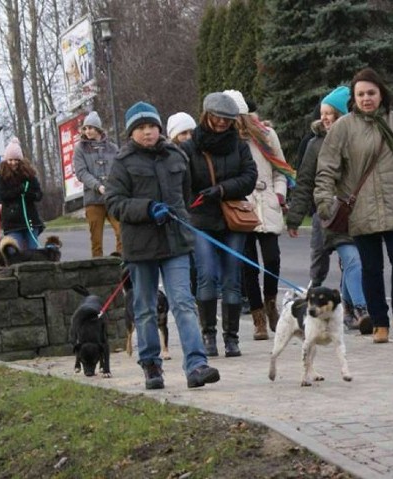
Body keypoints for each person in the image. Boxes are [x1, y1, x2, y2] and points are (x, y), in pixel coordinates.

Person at [105, 101, 220, 390]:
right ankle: (151, 365)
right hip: (140, 247)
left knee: (183, 302)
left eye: (152, 127)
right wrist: (146, 209)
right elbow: (114, 203)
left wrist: (179, 216)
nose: (148, 133)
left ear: (160, 128)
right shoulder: (122, 162)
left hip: (175, 242)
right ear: (132, 132)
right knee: (144, 307)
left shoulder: (175, 155)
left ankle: (196, 365)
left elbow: (185, 193)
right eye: (141, 128)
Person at [315, 68, 393, 346]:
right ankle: (380, 323)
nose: (366, 98)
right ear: (354, 98)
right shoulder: (343, 127)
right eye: (360, 94)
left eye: (371, 93)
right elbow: (327, 167)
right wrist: (324, 200)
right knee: (371, 268)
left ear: (381, 93)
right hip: (361, 208)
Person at [288, 86, 372, 332]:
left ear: (342, 114)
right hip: (328, 215)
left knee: (352, 263)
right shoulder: (315, 145)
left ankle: (348, 310)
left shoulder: (358, 140)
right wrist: (294, 216)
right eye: (322, 113)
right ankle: (360, 309)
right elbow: (305, 181)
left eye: (330, 113)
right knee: (336, 262)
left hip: (356, 212)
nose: (324, 118)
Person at [180, 92, 257, 357]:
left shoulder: (239, 145)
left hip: (233, 218)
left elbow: (249, 177)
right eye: (218, 118)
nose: (223, 123)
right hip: (201, 220)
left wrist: (222, 189)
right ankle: (209, 334)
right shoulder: (189, 148)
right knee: (207, 275)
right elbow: (182, 184)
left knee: (232, 278)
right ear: (207, 115)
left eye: (228, 119)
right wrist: (196, 200)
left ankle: (232, 337)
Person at [223, 90, 292, 339]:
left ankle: (271, 303)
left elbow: (280, 170)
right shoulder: (227, 142)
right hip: (242, 207)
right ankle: (258, 318)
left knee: (272, 259)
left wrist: (280, 195)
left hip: (268, 203)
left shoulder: (265, 135)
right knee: (248, 266)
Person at [73, 111, 122, 257]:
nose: (87, 131)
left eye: (91, 128)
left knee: (122, 232)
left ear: (98, 129)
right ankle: (99, 270)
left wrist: (115, 187)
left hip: (113, 198)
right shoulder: (80, 148)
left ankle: (122, 264)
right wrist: (97, 186)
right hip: (93, 200)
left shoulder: (113, 148)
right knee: (96, 240)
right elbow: (81, 172)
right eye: (85, 128)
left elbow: (120, 169)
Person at [0, 138, 44, 250]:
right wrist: (19, 190)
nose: (13, 163)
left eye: (16, 160)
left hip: (30, 219)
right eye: (10, 160)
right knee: (15, 252)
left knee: (32, 251)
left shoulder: (28, 172)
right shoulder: (0, 172)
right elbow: (3, 194)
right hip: (12, 222)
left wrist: (30, 194)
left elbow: (38, 193)